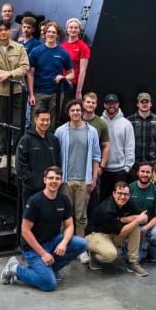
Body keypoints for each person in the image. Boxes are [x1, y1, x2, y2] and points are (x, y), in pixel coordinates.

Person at [0, 166, 87, 290]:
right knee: (49, 284)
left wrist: (63, 243)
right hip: (33, 249)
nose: (54, 181)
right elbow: (25, 231)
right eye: (51, 178)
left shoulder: (63, 200)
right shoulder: (35, 201)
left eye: (57, 178)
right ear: (45, 180)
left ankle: (49, 269)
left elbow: (70, 226)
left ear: (61, 181)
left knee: (82, 244)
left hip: (53, 241)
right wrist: (43, 253)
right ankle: (15, 269)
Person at [55, 99, 101, 245]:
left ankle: (80, 246)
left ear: (82, 112)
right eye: (72, 110)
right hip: (65, 181)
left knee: (81, 216)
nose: (75, 113)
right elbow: (56, 156)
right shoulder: (60, 131)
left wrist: (93, 179)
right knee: (64, 215)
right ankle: (63, 245)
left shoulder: (92, 131)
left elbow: (96, 157)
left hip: (84, 180)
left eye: (78, 110)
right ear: (68, 113)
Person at [0, 21, 29, 169]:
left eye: (5, 29)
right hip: (0, 92)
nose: (3, 32)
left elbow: (25, 67)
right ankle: (4, 154)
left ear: (10, 31)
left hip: (17, 91)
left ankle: (15, 154)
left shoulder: (19, 48)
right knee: (3, 124)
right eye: (0, 30)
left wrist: (8, 74)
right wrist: (2, 75)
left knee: (17, 124)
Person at [85, 181, 149, 276]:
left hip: (111, 233)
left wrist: (124, 219)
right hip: (94, 235)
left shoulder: (129, 201)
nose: (122, 197)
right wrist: (137, 219)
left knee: (135, 226)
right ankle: (94, 254)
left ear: (129, 195)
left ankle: (133, 262)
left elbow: (145, 218)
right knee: (111, 255)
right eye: (119, 193)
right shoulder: (108, 209)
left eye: (125, 194)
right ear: (114, 193)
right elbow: (121, 232)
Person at [28, 21, 73, 125]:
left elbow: (72, 74)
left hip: (56, 94)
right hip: (39, 93)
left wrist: (63, 77)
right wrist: (31, 94)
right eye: (48, 32)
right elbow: (30, 74)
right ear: (44, 34)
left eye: (53, 32)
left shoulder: (63, 53)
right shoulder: (36, 51)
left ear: (57, 35)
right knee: (36, 124)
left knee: (51, 124)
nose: (51, 34)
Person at [16, 106, 61, 202]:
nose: (45, 123)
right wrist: (32, 181)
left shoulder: (54, 139)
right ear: (35, 119)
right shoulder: (25, 140)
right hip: (31, 190)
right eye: (42, 120)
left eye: (48, 120)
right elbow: (20, 165)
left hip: (50, 189)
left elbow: (58, 162)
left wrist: (54, 181)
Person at [128, 162, 156, 260]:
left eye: (148, 172)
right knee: (135, 259)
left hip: (150, 226)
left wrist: (145, 229)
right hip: (134, 226)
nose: (145, 174)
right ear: (138, 173)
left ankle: (151, 253)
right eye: (142, 171)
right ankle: (140, 248)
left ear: (152, 174)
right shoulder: (130, 188)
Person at [101, 93, 136, 198]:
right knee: (104, 200)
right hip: (103, 170)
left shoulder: (126, 124)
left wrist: (126, 168)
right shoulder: (100, 122)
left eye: (114, 103)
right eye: (109, 103)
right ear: (104, 105)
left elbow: (130, 147)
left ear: (118, 104)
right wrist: (99, 168)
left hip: (121, 171)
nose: (112, 105)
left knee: (120, 200)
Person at [81, 90, 110, 216]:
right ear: (83, 103)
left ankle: (92, 226)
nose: (90, 105)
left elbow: (106, 146)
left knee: (93, 200)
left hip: (94, 167)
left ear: (96, 105)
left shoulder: (101, 123)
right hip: (77, 167)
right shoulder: (76, 119)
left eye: (93, 103)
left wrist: (101, 167)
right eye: (88, 102)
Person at [128, 92, 156, 165]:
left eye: (147, 102)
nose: (144, 104)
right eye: (142, 102)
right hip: (134, 164)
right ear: (137, 104)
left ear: (151, 104)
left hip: (153, 163)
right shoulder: (130, 121)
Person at [62, 18, 91, 98]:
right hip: (61, 83)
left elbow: (82, 71)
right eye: (71, 27)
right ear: (67, 29)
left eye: (76, 28)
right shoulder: (62, 46)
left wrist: (78, 92)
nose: (73, 30)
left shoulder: (83, 47)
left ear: (79, 30)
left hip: (73, 85)